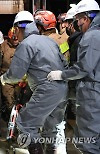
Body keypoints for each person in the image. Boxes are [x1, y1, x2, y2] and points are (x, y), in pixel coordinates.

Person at [0, 11, 68, 154]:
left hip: (46, 90)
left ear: (17, 29)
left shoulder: (26, 44)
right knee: (52, 127)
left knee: (25, 123)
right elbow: (63, 64)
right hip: (62, 89)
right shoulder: (49, 41)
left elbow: (15, 75)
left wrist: (4, 78)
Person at [47, 0, 100, 153]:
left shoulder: (91, 37)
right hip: (93, 89)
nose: (76, 24)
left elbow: (84, 67)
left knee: (88, 140)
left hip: (92, 92)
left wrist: (61, 74)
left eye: (77, 19)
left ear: (86, 17)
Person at [34, 10, 70, 154]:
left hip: (46, 89)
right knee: (59, 124)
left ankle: (52, 150)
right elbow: (66, 62)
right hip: (62, 88)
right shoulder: (63, 40)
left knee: (48, 128)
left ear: (41, 26)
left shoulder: (40, 42)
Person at [1, 27, 19, 112]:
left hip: (21, 78)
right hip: (7, 77)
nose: (16, 41)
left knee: (21, 100)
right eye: (13, 39)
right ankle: (11, 119)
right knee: (9, 101)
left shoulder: (24, 45)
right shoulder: (3, 46)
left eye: (17, 39)